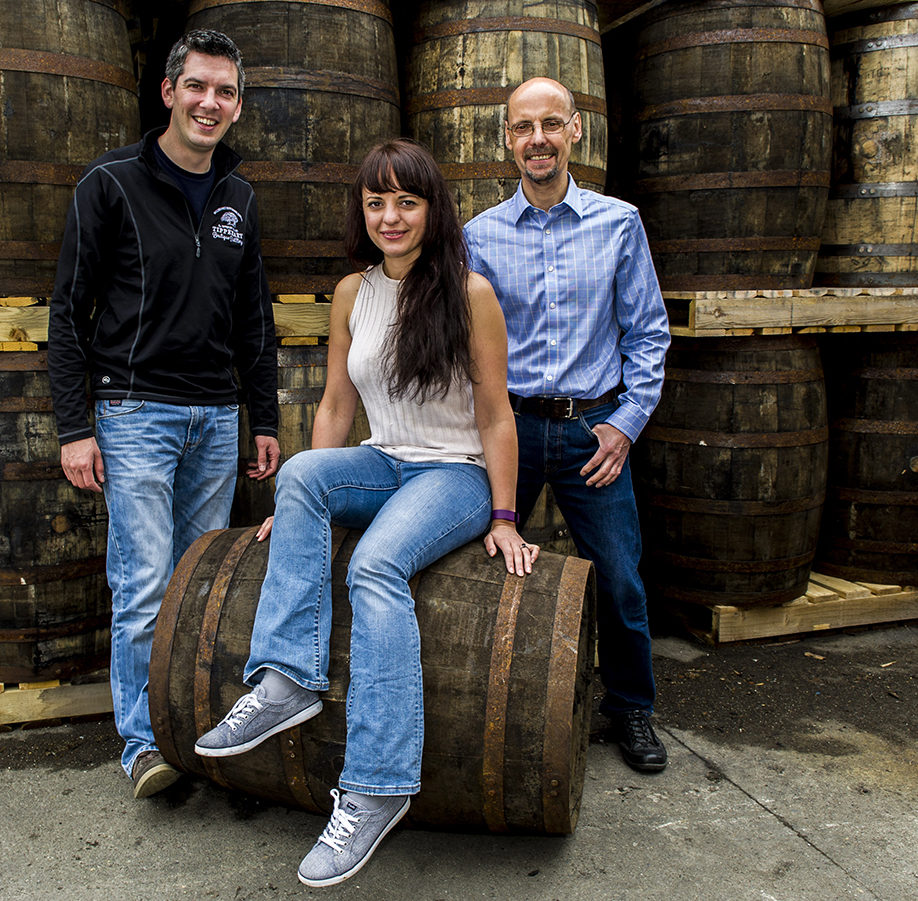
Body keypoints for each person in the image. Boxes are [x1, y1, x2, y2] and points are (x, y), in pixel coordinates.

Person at [194, 138, 537, 886]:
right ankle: (288, 680)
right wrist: (298, 502)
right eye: (376, 201)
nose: (390, 215)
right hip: (385, 460)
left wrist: (505, 515)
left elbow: (495, 412)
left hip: (457, 474)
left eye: (406, 201)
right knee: (304, 473)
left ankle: (378, 785)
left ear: (431, 209)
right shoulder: (353, 291)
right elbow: (336, 406)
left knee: (378, 565)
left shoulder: (470, 292)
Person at [47, 29, 281, 800]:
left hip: (216, 419)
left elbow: (254, 322)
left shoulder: (238, 200)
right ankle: (145, 744)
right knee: (145, 585)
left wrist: (265, 418)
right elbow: (68, 315)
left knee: (203, 588)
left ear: (238, 106)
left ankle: (197, 735)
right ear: (169, 92)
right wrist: (76, 427)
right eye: (197, 86)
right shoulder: (109, 184)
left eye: (224, 91)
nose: (209, 102)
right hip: (135, 413)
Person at [463, 77, 672, 773]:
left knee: (618, 580)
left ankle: (631, 708)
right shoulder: (478, 236)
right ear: (507, 139)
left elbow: (647, 334)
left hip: (594, 432)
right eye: (524, 127)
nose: (538, 139)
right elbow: (465, 347)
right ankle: (474, 705)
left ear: (576, 130)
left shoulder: (619, 223)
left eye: (552, 124)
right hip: (511, 431)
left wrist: (626, 424)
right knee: (476, 571)